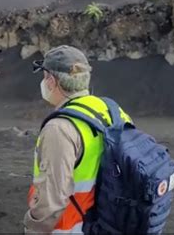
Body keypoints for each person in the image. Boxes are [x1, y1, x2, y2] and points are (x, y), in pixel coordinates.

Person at [24, 45, 132, 234]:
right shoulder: (113, 112)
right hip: (111, 224)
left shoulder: (59, 128)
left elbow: (52, 200)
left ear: (51, 81)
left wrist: (32, 229)